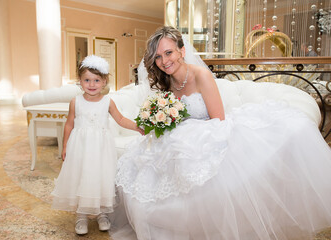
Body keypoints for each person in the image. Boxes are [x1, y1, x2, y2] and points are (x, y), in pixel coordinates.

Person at [110, 26, 331, 240]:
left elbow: (218, 121)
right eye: (158, 57)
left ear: (182, 51)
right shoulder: (166, 81)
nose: (165, 61)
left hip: (211, 132)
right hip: (180, 136)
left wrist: (186, 134)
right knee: (140, 167)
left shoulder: (201, 76)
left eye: (169, 52)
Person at [51, 55, 144, 235]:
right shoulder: (75, 102)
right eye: (87, 80)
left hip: (101, 149)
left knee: (100, 178)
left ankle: (102, 213)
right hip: (80, 148)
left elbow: (121, 119)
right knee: (81, 177)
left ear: (104, 82)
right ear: (80, 81)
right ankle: (82, 215)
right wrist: (64, 147)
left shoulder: (107, 102)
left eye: (96, 80)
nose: (91, 84)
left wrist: (137, 126)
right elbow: (69, 124)